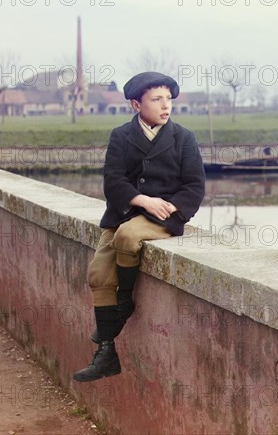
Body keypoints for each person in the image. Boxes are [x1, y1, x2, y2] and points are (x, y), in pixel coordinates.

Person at [73, 71, 205, 382]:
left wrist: (169, 208)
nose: (166, 105)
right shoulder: (121, 136)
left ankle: (126, 300)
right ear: (136, 104)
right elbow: (113, 182)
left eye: (169, 99)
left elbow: (194, 186)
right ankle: (106, 354)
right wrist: (142, 200)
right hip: (126, 211)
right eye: (157, 99)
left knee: (128, 237)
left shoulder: (183, 138)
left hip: (164, 217)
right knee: (98, 275)